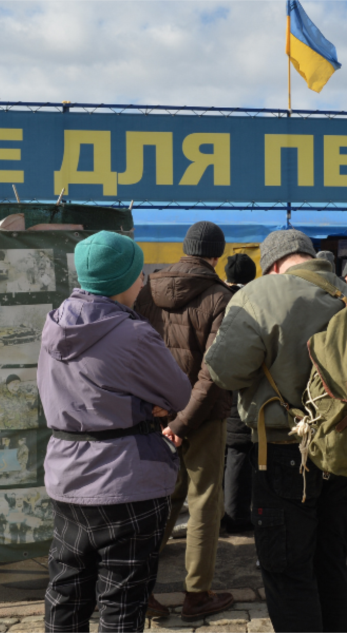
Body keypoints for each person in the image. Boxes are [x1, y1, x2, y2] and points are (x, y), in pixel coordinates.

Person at [204, 229, 347, 633]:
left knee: (288, 571)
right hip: (343, 450)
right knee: (331, 565)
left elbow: (224, 371)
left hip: (284, 451)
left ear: (273, 263)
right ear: (310, 257)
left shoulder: (261, 294)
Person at [38, 231, 191, 633]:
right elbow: (178, 393)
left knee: (66, 593)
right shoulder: (134, 333)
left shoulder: (54, 324)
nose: (143, 280)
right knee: (122, 603)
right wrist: (147, 405)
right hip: (127, 480)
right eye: (139, 273)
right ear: (128, 278)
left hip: (67, 475)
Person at [134, 221, 235, 621]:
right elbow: (213, 372)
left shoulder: (147, 290)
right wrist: (185, 422)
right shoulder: (219, 297)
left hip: (155, 415)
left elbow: (136, 355)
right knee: (204, 502)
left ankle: (139, 589)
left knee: (160, 502)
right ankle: (197, 594)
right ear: (216, 254)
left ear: (186, 249)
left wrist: (165, 417)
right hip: (203, 417)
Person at [221, 253, 258, 534]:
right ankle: (236, 515)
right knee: (240, 452)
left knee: (226, 451)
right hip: (243, 390)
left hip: (212, 388)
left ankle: (224, 509)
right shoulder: (253, 303)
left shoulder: (216, 298)